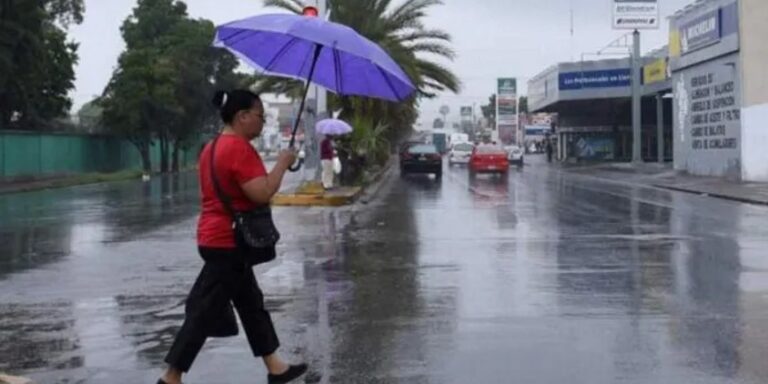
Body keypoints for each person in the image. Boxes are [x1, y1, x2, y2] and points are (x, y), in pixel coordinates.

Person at [159, 90, 307, 384]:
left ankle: (276, 368)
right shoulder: (239, 149)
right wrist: (282, 163)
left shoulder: (212, 147)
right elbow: (261, 193)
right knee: (203, 312)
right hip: (229, 243)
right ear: (242, 116)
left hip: (216, 237)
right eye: (260, 116)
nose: (263, 122)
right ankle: (171, 377)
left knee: (251, 303)